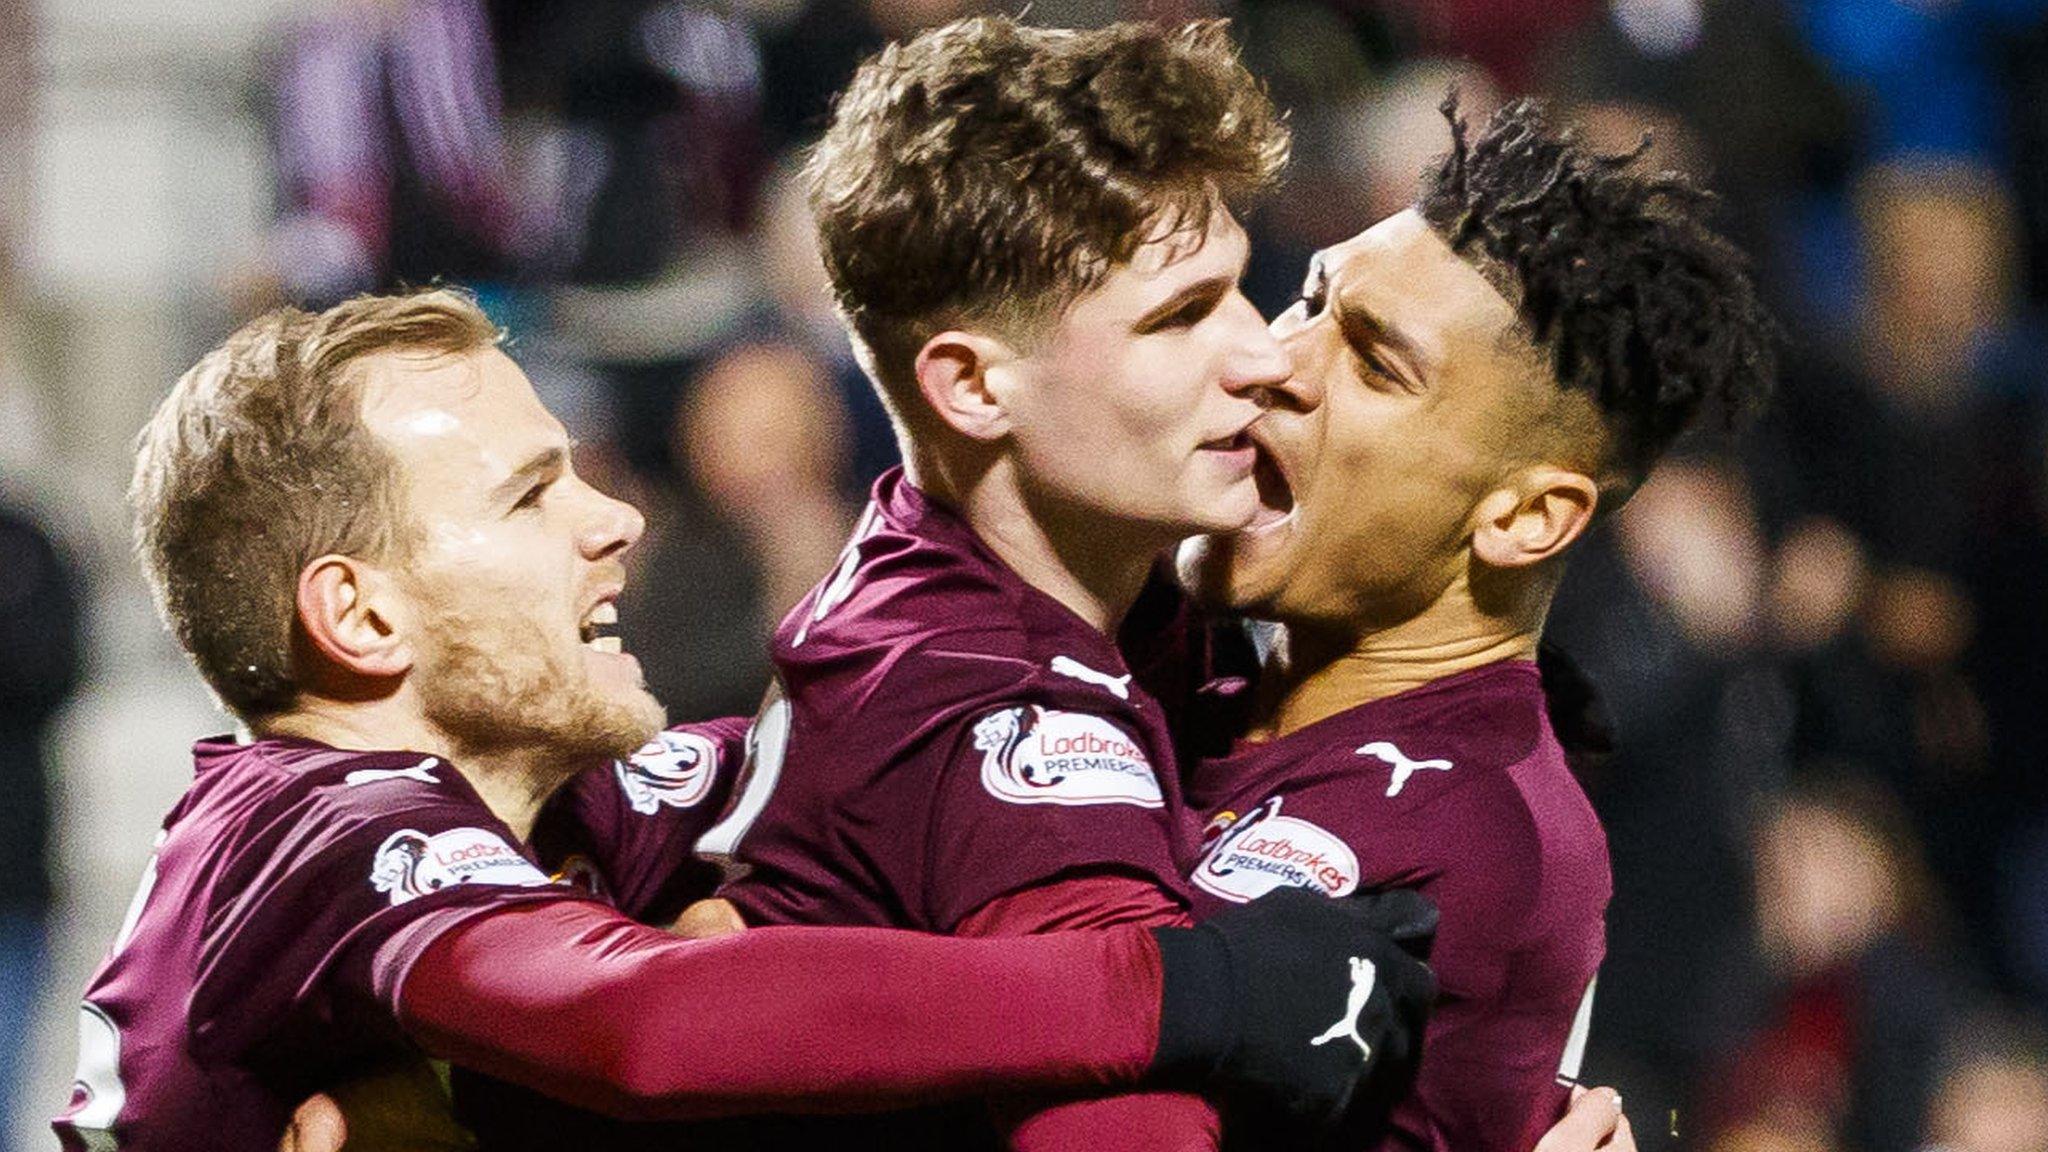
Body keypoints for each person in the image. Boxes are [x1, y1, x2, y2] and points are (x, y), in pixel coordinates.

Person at [51, 288, 1441, 1152]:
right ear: (358, 620)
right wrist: (1195, 994)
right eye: (531, 496)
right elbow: (649, 1023)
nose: (618, 521)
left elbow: (919, 756)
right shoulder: (305, 828)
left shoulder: (570, 802)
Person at [679, 17, 1422, 1150]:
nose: (1261, 354)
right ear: (973, 387)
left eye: (1235, 289)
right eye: (1176, 315)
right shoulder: (1002, 727)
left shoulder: (1061, 579)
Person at [1171, 96, 1777, 1151]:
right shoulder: (1160, 646)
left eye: (1371, 363)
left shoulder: (1477, 849)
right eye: (1308, 300)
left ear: (1524, 517)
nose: (1276, 363)